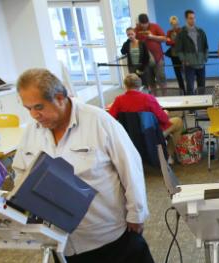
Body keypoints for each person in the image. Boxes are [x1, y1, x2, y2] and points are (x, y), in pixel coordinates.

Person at [12, 69, 152, 262]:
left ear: (60, 98)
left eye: (39, 107)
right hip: (62, 241)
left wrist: (136, 215)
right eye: (28, 109)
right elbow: (21, 173)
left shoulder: (98, 121)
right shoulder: (32, 132)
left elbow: (131, 169)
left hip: (107, 235)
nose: (34, 115)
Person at [107, 73, 184, 162]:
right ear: (140, 86)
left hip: (129, 135)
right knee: (178, 121)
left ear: (125, 86)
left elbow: (110, 119)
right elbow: (163, 119)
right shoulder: (148, 98)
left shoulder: (118, 100)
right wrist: (165, 113)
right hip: (150, 134)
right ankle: (168, 155)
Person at [174, 9, 208, 95]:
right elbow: (178, 50)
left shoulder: (201, 31)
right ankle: (191, 108)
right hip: (189, 64)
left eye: (194, 18)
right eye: (190, 18)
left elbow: (206, 46)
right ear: (186, 19)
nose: (192, 20)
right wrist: (184, 60)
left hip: (201, 63)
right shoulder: (181, 33)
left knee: (202, 86)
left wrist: (205, 58)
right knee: (190, 87)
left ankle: (202, 104)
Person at [135, 13, 167, 93]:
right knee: (150, 80)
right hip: (145, 60)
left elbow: (164, 38)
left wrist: (152, 36)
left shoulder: (155, 26)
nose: (144, 26)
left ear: (148, 21)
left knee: (161, 79)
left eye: (145, 23)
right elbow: (133, 41)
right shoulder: (136, 29)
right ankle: (153, 99)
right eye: (142, 24)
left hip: (158, 58)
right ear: (139, 23)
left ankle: (166, 98)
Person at [165, 15, 186, 95]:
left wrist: (172, 41)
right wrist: (175, 42)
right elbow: (167, 42)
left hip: (182, 55)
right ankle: (182, 90)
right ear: (171, 24)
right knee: (178, 74)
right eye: (172, 24)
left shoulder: (182, 31)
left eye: (176, 24)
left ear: (178, 23)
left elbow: (182, 42)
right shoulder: (169, 32)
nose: (174, 26)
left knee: (185, 73)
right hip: (174, 55)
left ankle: (188, 90)